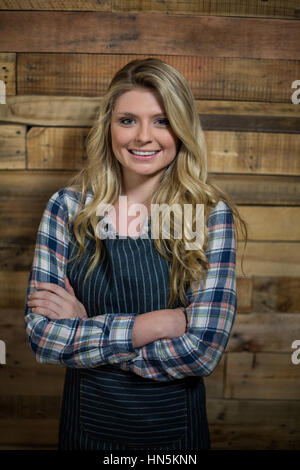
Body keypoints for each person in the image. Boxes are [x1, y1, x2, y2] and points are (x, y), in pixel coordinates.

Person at [24, 58, 248, 451]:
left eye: (161, 121)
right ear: (108, 127)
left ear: (181, 130)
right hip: (84, 432)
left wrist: (87, 328)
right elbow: (44, 338)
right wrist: (149, 327)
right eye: (128, 120)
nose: (144, 136)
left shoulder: (199, 215)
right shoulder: (70, 209)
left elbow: (201, 352)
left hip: (174, 439)